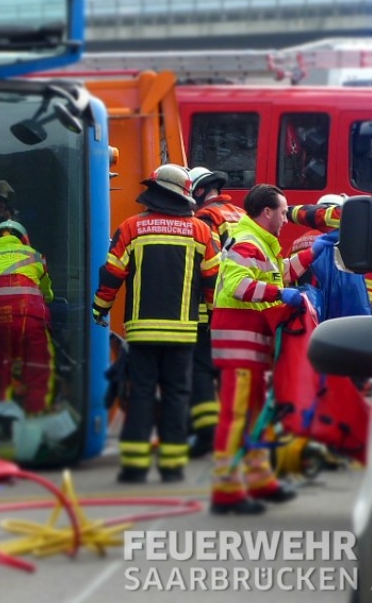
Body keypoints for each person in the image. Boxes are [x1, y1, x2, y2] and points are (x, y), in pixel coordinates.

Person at [210, 184, 337, 515]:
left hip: (251, 340)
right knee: (237, 414)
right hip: (239, 339)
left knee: (255, 413)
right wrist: (280, 296)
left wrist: (314, 252)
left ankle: (257, 478)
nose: (285, 218)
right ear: (266, 212)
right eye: (282, 211)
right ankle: (226, 489)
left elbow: (280, 274)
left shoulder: (260, 243)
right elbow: (238, 286)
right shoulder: (248, 242)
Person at [93, 164, 220, 484]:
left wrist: (100, 309)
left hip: (142, 330)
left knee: (142, 394)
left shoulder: (131, 227)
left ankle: (135, 468)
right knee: (178, 394)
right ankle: (172, 466)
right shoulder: (201, 231)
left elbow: (111, 276)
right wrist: (211, 317)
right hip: (183, 331)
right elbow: (213, 284)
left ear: (154, 191)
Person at [0, 219, 76, 457]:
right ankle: (34, 428)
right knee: (39, 369)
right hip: (30, 317)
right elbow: (48, 292)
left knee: (1, 368)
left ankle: (4, 426)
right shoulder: (34, 255)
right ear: (24, 238)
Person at [187, 167, 244, 459]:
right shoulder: (240, 215)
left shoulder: (206, 219)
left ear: (198, 192)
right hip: (243, 306)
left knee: (201, 368)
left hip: (214, 305)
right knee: (232, 369)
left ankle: (208, 433)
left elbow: (206, 263)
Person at [287, 193, 372, 314]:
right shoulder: (354, 243)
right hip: (343, 313)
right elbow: (370, 285)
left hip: (306, 312)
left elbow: (284, 274)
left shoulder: (298, 243)